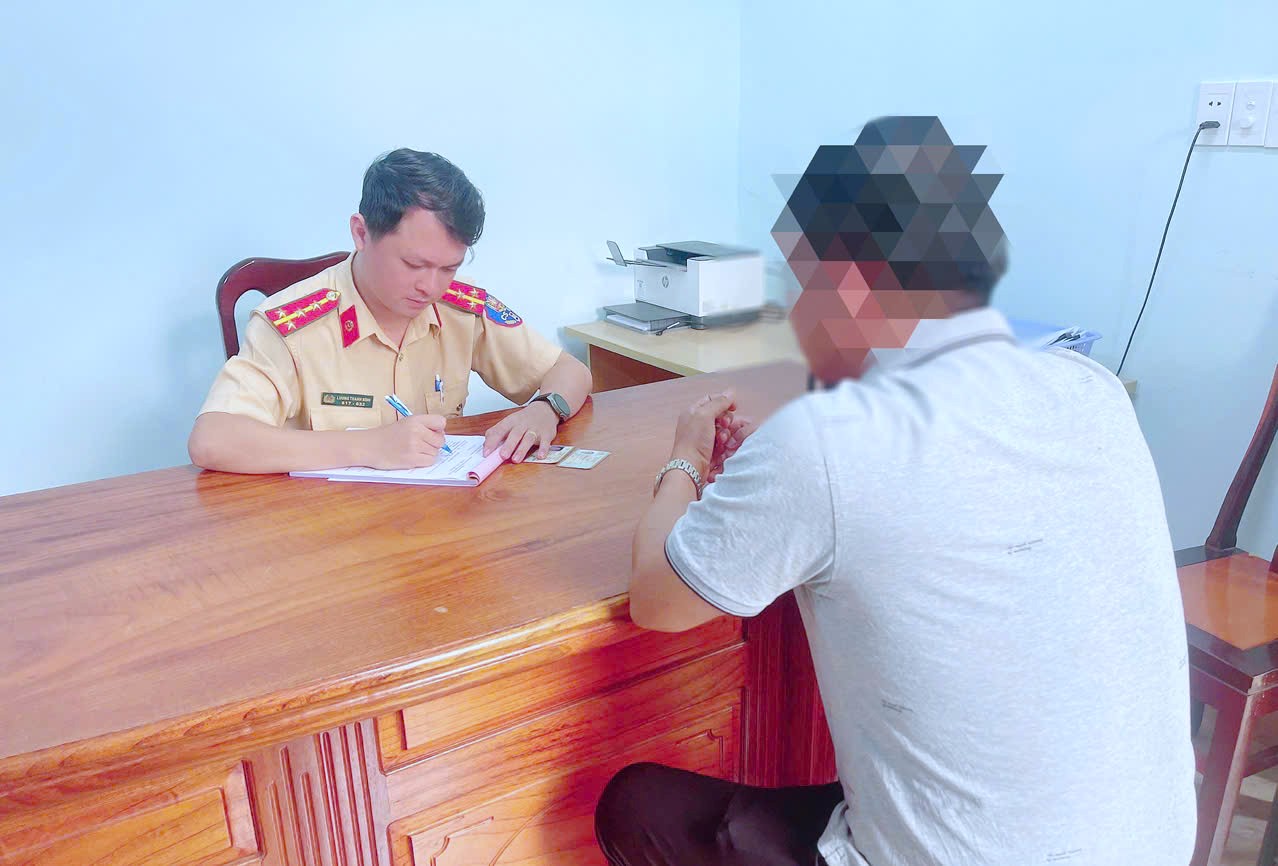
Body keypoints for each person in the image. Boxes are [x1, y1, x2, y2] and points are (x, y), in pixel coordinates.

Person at [596, 117, 1196, 866]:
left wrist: (685, 459)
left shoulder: (826, 444)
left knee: (637, 807)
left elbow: (658, 601)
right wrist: (793, 466)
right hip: (1151, 844)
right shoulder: (1092, 390)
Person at [188, 148, 592, 473]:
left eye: (449, 268)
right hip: (325, 529)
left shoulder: (462, 309)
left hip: (440, 524)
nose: (431, 287)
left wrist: (546, 410)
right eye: (414, 264)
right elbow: (212, 440)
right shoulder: (293, 324)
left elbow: (570, 371)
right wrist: (368, 446)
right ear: (361, 233)